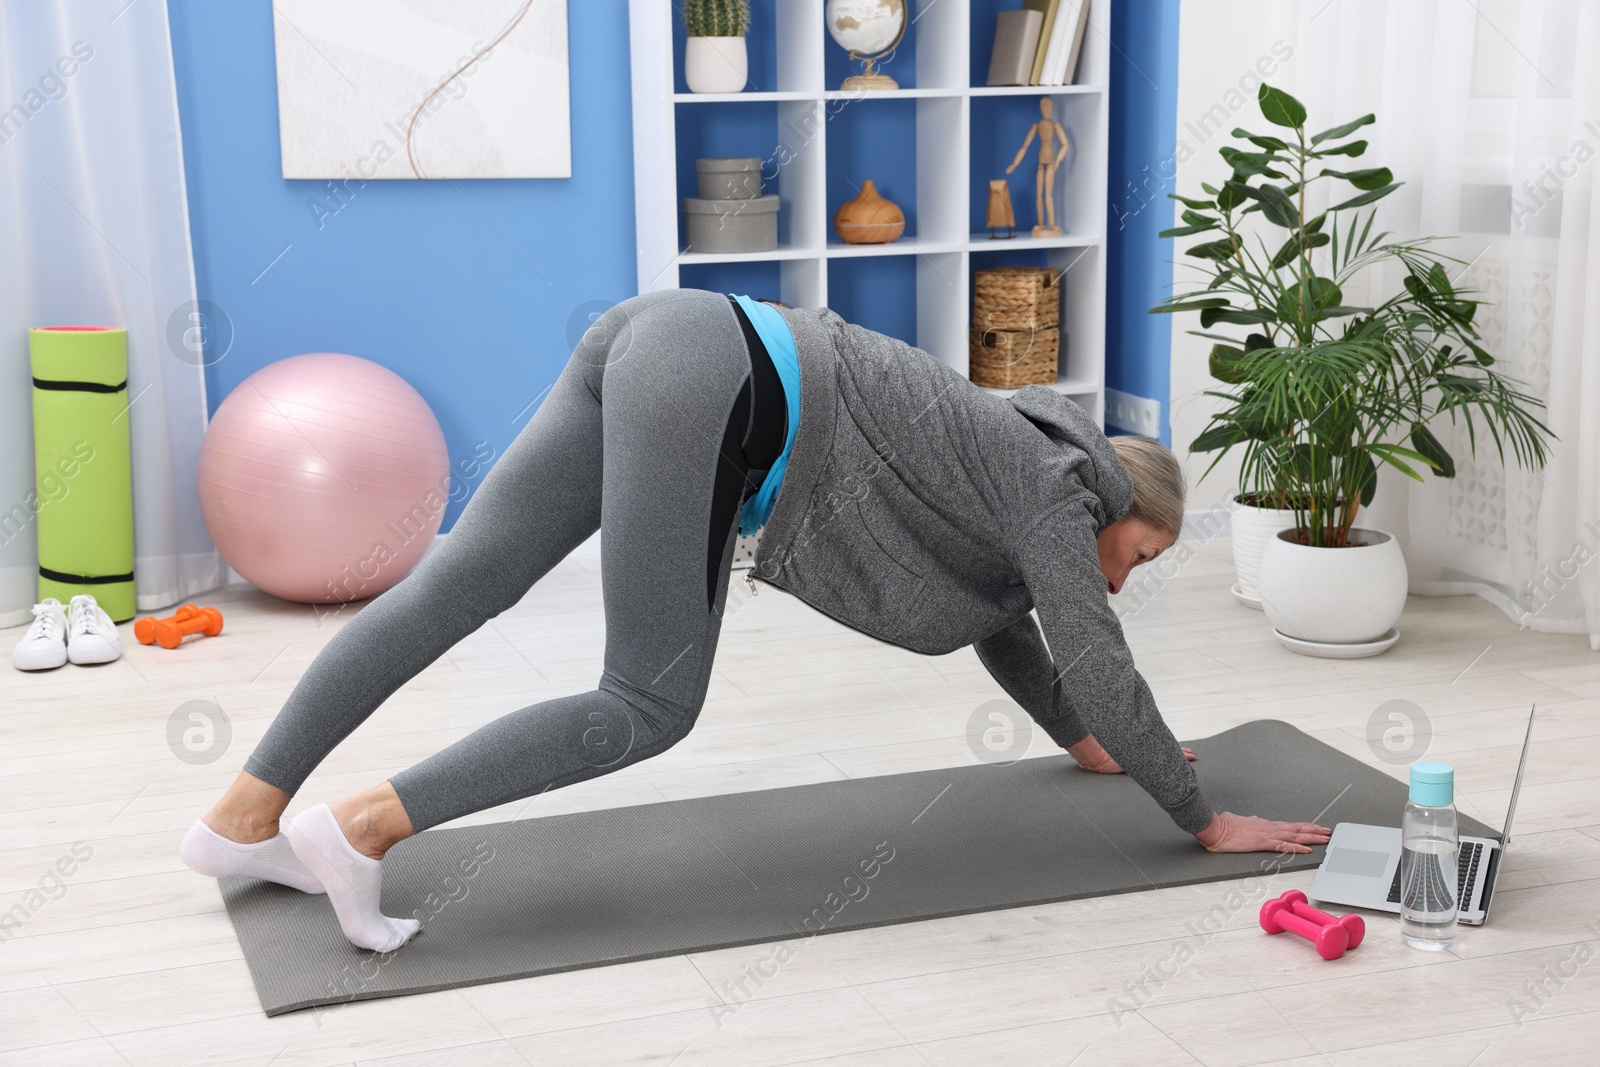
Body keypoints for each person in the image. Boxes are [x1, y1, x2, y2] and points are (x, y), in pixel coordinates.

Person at [180, 288, 1331, 952]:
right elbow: (1089, 640)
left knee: (456, 579)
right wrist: (1197, 814)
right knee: (646, 700)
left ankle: (244, 812)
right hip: (721, 382)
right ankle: (362, 827)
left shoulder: (1013, 475)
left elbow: (1016, 636)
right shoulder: (1055, 489)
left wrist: (1087, 739)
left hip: (671, 334)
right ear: (1121, 506)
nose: (1120, 581)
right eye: (1134, 557)